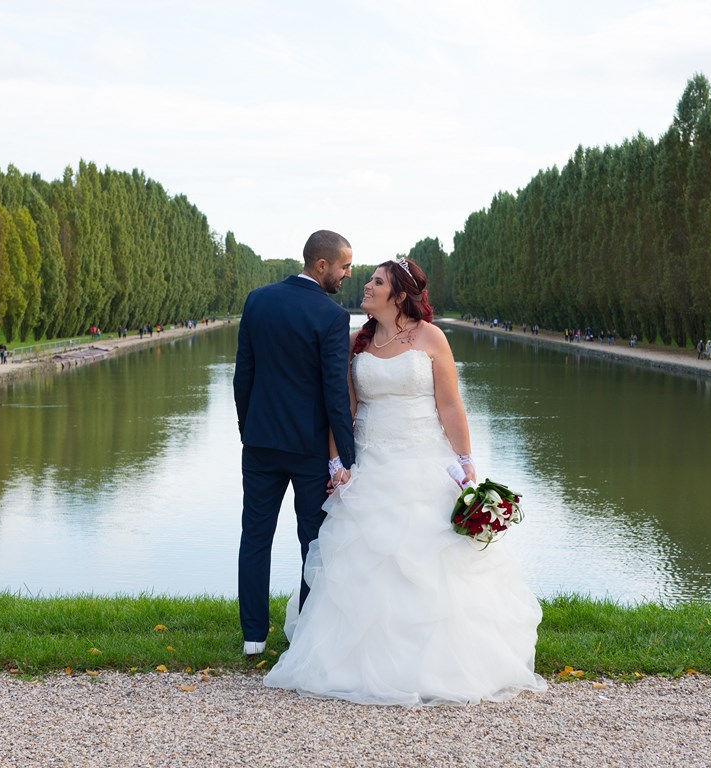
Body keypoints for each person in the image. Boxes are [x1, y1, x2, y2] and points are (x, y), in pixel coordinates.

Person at [264, 257, 547, 707]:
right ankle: (351, 662)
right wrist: (336, 464)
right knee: (361, 558)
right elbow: (344, 410)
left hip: (423, 461)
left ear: (398, 295)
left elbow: (450, 405)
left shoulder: (431, 338)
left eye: (376, 281)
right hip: (370, 464)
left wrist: (465, 461)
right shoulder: (356, 342)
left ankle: (442, 662)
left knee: (434, 559)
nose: (366, 285)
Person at [233, 230, 356, 657]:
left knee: (255, 537)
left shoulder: (257, 301)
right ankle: (305, 632)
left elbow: (243, 376)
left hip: (260, 443)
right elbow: (335, 394)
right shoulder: (332, 317)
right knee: (312, 542)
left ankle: (253, 638)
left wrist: (248, 429)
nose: (347, 274)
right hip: (309, 450)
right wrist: (346, 457)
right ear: (321, 265)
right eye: (344, 266)